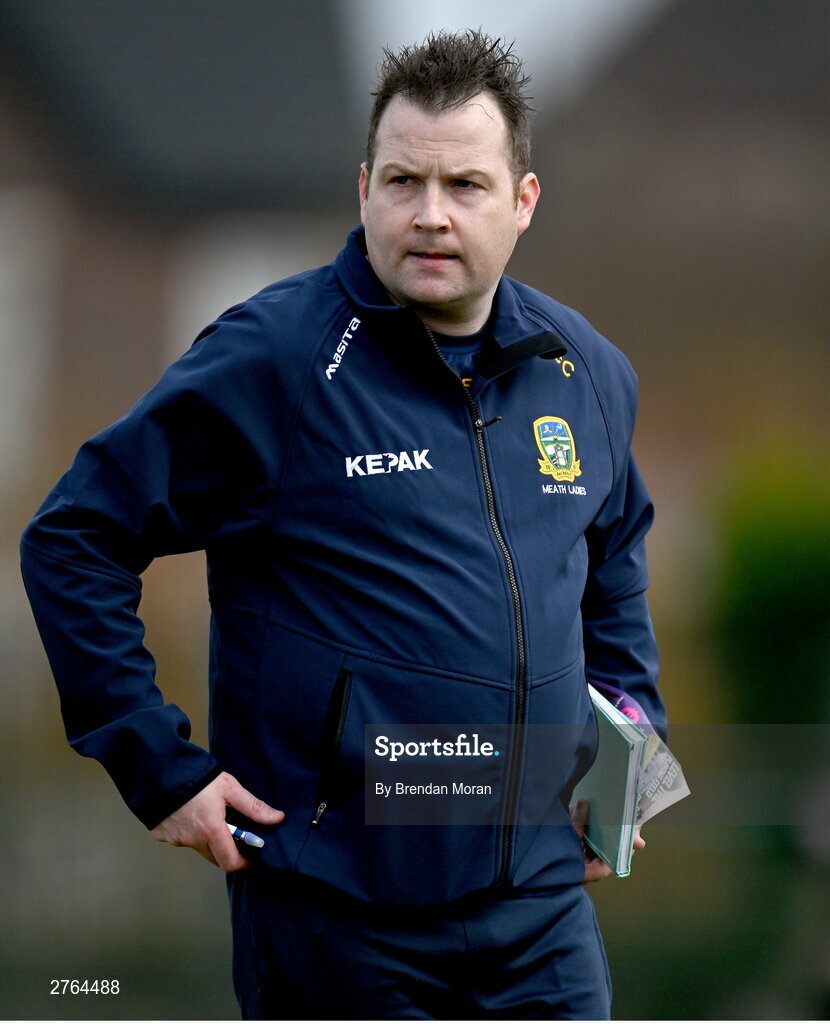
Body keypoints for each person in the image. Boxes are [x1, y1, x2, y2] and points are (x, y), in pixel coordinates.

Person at [21, 29, 666, 1020]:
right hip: (338, 919)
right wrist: (156, 765)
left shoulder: (585, 373)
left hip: (541, 912)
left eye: (464, 185)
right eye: (404, 182)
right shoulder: (275, 360)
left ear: (522, 202)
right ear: (364, 186)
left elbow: (612, 562)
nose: (430, 215)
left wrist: (627, 763)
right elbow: (74, 539)